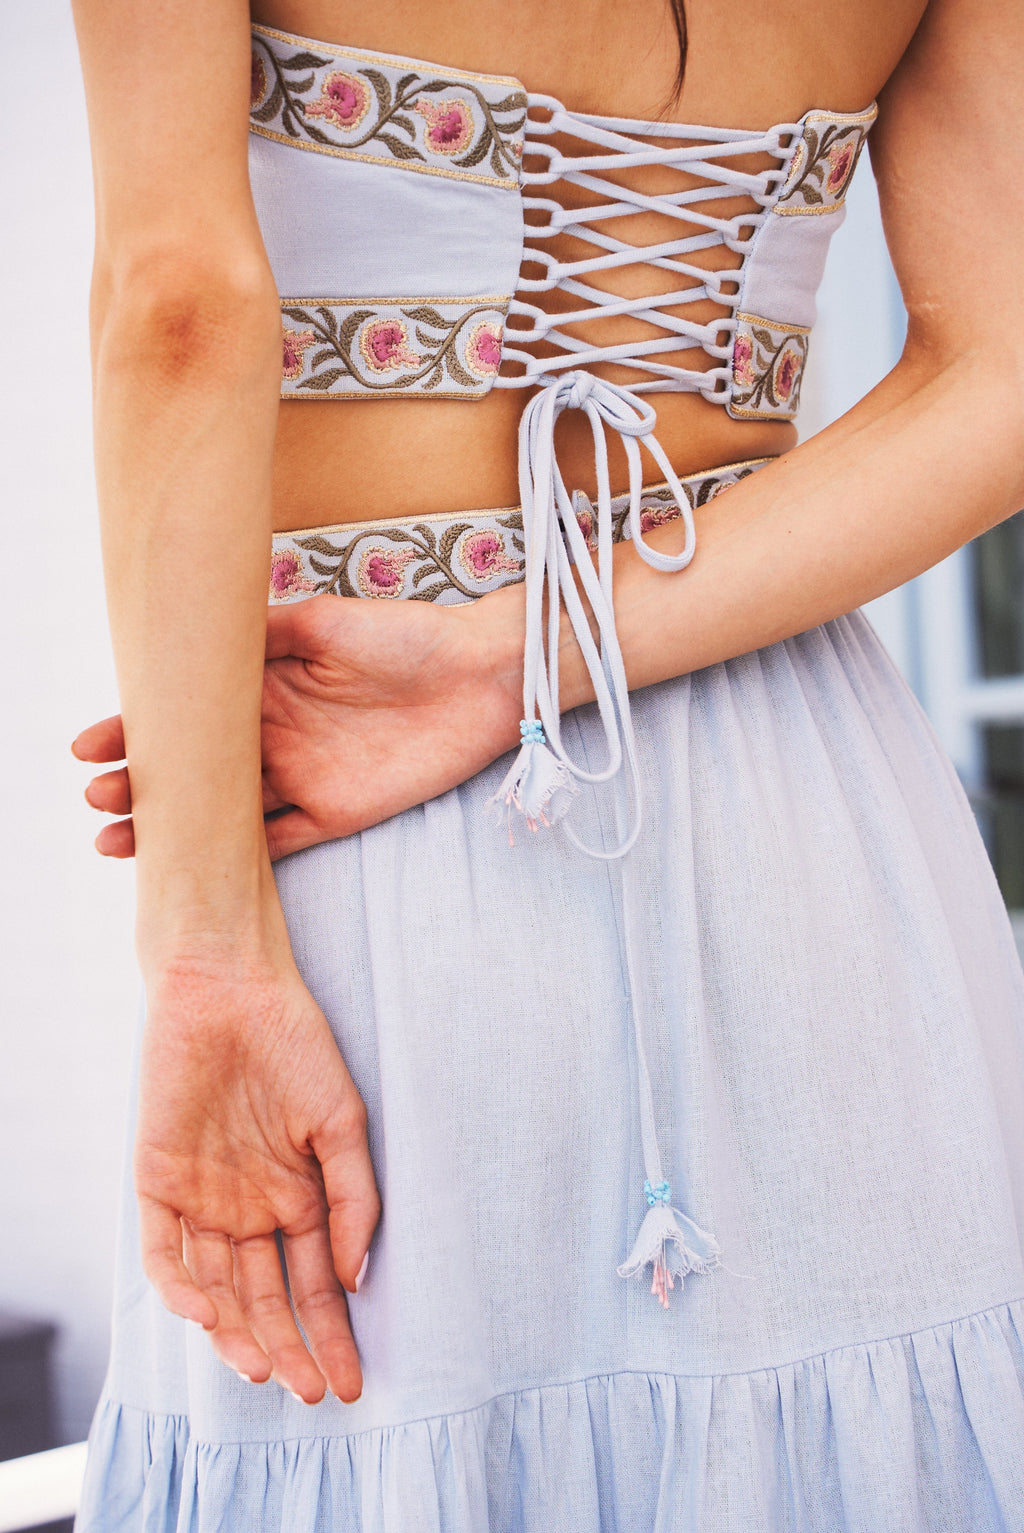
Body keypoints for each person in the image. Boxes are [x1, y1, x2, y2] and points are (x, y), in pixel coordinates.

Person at [69, 0, 1024, 1525]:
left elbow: (177, 303)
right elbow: (1004, 371)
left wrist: (205, 951)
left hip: (376, 795)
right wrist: (522, 653)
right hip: (804, 801)